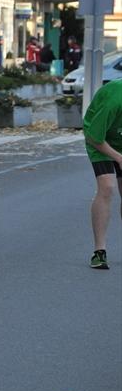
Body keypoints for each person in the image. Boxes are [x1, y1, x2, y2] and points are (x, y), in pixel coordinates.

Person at [83, 80, 122, 270]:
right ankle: (99, 251)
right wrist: (118, 157)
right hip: (99, 140)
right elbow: (94, 137)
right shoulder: (114, 99)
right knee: (107, 187)